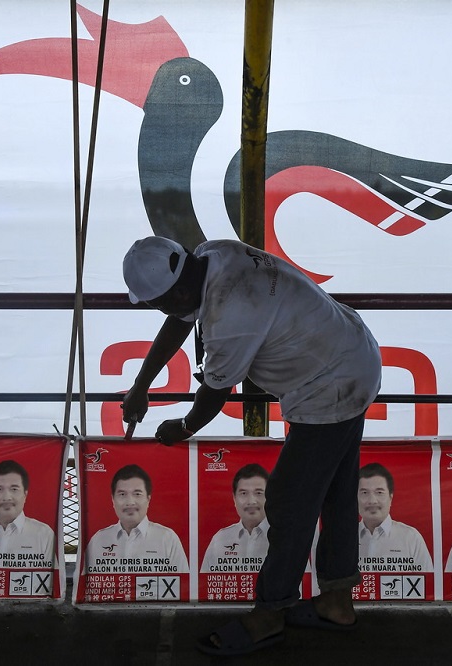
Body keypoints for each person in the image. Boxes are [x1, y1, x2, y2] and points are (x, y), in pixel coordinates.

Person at [120, 236, 381, 655]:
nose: (161, 312)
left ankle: (269, 614)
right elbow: (182, 317)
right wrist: (141, 385)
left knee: (289, 503)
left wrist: (183, 427)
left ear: (178, 291)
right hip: (349, 354)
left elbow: (213, 393)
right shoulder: (212, 255)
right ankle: (336, 602)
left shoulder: (231, 318)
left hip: (329, 386)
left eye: (158, 303)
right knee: (334, 492)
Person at [84, 464, 189, 574]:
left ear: (148, 499)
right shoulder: (99, 540)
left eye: (137, 494)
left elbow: (182, 585)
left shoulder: (167, 538)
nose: (130, 502)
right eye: (122, 494)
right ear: (113, 500)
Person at [357, 462, 432, 572]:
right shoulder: (344, 537)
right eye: (364, 492)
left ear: (390, 498)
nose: (372, 501)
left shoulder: (410, 538)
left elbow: (428, 584)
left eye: (379, 492)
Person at [201, 464, 270, 573]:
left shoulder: (285, 538)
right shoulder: (220, 539)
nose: (251, 501)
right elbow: (205, 585)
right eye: (243, 493)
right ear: (234, 498)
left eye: (258, 493)